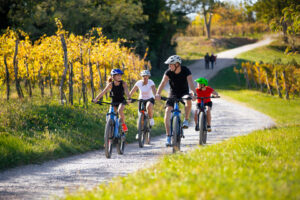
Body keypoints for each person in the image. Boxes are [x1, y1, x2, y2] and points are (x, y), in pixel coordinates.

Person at [155, 55, 197, 146]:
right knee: (167, 112)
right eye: (169, 65)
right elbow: (163, 83)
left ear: (177, 64)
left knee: (188, 100)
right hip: (173, 94)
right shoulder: (168, 72)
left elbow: (191, 82)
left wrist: (194, 93)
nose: (169, 66)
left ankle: (186, 120)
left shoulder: (186, 70)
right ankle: (168, 136)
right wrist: (158, 93)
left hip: (184, 93)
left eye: (171, 65)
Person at [129, 70, 156, 139]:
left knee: (148, 106)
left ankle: (151, 118)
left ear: (148, 76)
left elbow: (154, 90)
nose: (145, 77)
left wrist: (156, 95)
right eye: (143, 76)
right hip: (141, 99)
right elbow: (132, 91)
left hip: (150, 98)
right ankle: (139, 133)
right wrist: (128, 98)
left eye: (146, 76)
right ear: (142, 77)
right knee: (140, 117)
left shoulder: (151, 82)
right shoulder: (139, 83)